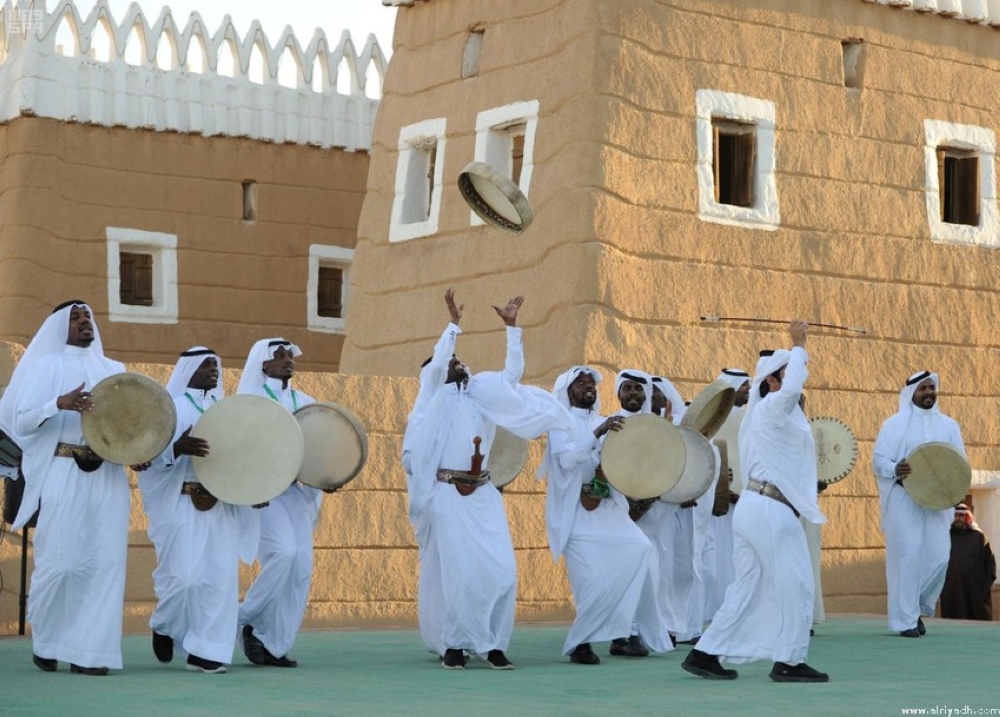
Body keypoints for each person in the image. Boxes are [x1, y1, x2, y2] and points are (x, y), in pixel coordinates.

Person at [403, 289, 571, 670]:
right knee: (460, 575)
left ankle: (492, 641)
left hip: (484, 496)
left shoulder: (481, 395)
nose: (459, 364)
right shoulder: (428, 410)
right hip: (448, 497)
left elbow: (511, 377)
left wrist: (512, 329)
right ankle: (456, 647)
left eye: (460, 360)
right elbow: (414, 458)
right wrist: (452, 328)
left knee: (501, 572)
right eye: (450, 362)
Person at [681, 321, 828, 683]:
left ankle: (705, 653)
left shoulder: (774, 417)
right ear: (773, 382)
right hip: (769, 510)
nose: (797, 379)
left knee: (746, 587)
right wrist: (799, 345)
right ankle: (789, 661)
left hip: (756, 508)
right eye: (786, 374)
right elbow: (793, 386)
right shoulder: (772, 408)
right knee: (796, 583)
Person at [0, 301, 130, 676]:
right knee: (63, 563)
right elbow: (20, 421)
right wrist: (59, 403)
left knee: (105, 565)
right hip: (63, 469)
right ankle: (49, 640)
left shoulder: (114, 370)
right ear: (59, 327)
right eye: (75, 318)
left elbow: (132, 420)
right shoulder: (45, 367)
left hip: (108, 475)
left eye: (87, 316)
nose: (84, 322)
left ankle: (91, 653)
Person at [538, 366, 667, 665]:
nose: (588, 386)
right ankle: (581, 643)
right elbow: (569, 460)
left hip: (606, 506)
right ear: (567, 391)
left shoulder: (603, 421)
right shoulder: (561, 424)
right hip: (576, 512)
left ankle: (625, 628)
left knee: (639, 548)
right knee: (591, 580)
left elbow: (616, 462)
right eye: (580, 383)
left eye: (591, 383)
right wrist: (598, 434)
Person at [137, 347, 248, 674]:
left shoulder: (227, 411)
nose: (213, 368)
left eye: (216, 363)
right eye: (205, 364)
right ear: (188, 370)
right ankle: (163, 623)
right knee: (184, 579)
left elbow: (243, 459)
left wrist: (255, 488)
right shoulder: (169, 410)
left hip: (222, 506)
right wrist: (176, 448)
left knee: (219, 581)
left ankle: (206, 652)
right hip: (180, 503)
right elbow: (143, 460)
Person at [237, 338, 333, 667]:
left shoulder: (306, 402)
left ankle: (271, 643)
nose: (287, 359)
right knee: (284, 554)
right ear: (262, 364)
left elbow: (319, 447)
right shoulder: (249, 401)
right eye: (278, 355)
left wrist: (327, 477)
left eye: (290, 355)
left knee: (301, 568)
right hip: (264, 494)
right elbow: (239, 447)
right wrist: (253, 487)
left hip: (297, 493)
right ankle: (241, 618)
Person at [872, 371, 966, 637]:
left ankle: (915, 606)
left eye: (932, 388)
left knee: (939, 556)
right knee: (909, 554)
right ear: (911, 392)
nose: (928, 393)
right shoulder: (894, 425)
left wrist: (957, 488)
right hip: (905, 498)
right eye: (923, 388)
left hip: (937, 500)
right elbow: (878, 461)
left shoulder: (949, 425)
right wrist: (894, 468)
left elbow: (960, 462)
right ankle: (905, 620)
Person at [609, 370, 675, 656]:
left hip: (649, 514)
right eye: (628, 388)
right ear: (619, 394)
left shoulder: (658, 428)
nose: (634, 393)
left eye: (638, 388)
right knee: (625, 572)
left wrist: (640, 506)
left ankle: (647, 630)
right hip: (614, 513)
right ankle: (626, 634)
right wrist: (624, 507)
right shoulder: (609, 426)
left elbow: (666, 469)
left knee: (652, 574)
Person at [700, 368, 749, 623]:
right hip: (718, 500)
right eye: (743, 386)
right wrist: (724, 490)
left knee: (737, 557)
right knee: (716, 556)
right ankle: (714, 608)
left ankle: (734, 607)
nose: (748, 390)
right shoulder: (715, 418)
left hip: (745, 501)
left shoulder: (749, 418)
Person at [939, 504, 995, 621]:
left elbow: (990, 564)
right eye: (956, 515)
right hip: (951, 590)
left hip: (974, 592)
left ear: (968, 518)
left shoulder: (979, 537)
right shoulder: (945, 536)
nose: (958, 518)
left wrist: (984, 589)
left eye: (961, 515)